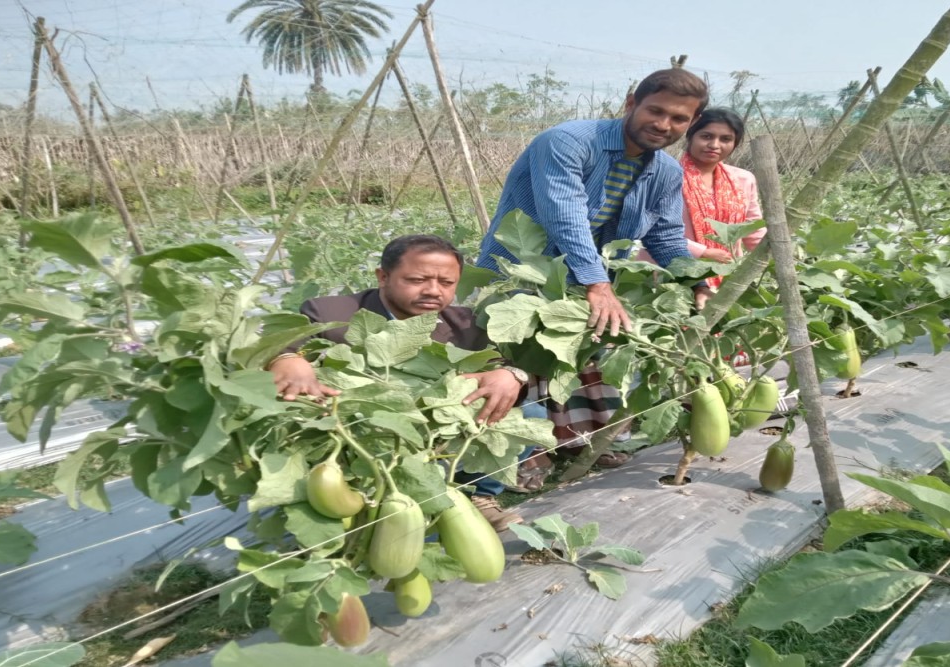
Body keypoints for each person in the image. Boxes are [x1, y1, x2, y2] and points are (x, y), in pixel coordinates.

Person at [474, 68, 712, 468]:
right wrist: (597, 282)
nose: (663, 124)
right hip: (523, 269)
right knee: (509, 356)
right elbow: (564, 214)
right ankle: (519, 455)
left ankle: (571, 444)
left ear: (692, 123)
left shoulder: (666, 172)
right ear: (631, 102)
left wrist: (696, 281)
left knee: (572, 359)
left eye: (679, 118)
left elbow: (667, 237)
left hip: (586, 278)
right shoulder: (567, 142)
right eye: (655, 111)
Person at [268, 234, 531, 531]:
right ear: (383, 276)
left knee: (525, 410)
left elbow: (498, 366)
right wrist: (287, 357)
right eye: (417, 279)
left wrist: (512, 375)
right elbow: (281, 341)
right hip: (362, 424)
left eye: (446, 283)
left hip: (433, 422)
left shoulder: (466, 325)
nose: (433, 291)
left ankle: (480, 496)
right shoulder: (333, 313)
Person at [678, 108, 764, 288]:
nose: (715, 145)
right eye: (706, 136)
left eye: (726, 139)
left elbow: (752, 227)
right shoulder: (668, 175)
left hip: (727, 274)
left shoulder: (743, 179)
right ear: (690, 136)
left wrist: (775, 257)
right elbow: (654, 229)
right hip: (673, 271)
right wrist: (703, 252)